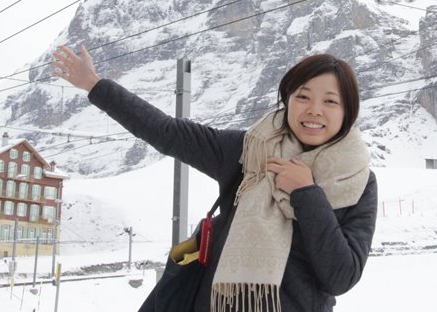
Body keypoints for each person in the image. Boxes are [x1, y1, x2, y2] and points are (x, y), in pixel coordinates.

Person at [53, 45, 377, 312]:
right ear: (288, 99)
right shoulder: (246, 151)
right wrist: (96, 86)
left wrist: (307, 193)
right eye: (303, 96)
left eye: (330, 101)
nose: (314, 110)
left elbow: (341, 276)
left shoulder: (358, 181)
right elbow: (167, 132)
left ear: (348, 111)